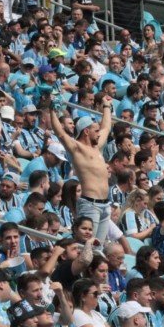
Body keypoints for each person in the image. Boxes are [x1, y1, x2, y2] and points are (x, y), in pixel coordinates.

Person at [51, 96, 114, 243]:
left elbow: (107, 127)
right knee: (86, 246)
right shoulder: (77, 148)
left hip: (105, 205)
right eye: (96, 130)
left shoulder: (96, 146)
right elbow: (60, 133)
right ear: (86, 131)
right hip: (90, 205)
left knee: (97, 249)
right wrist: (53, 110)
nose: (100, 133)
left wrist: (106, 106)